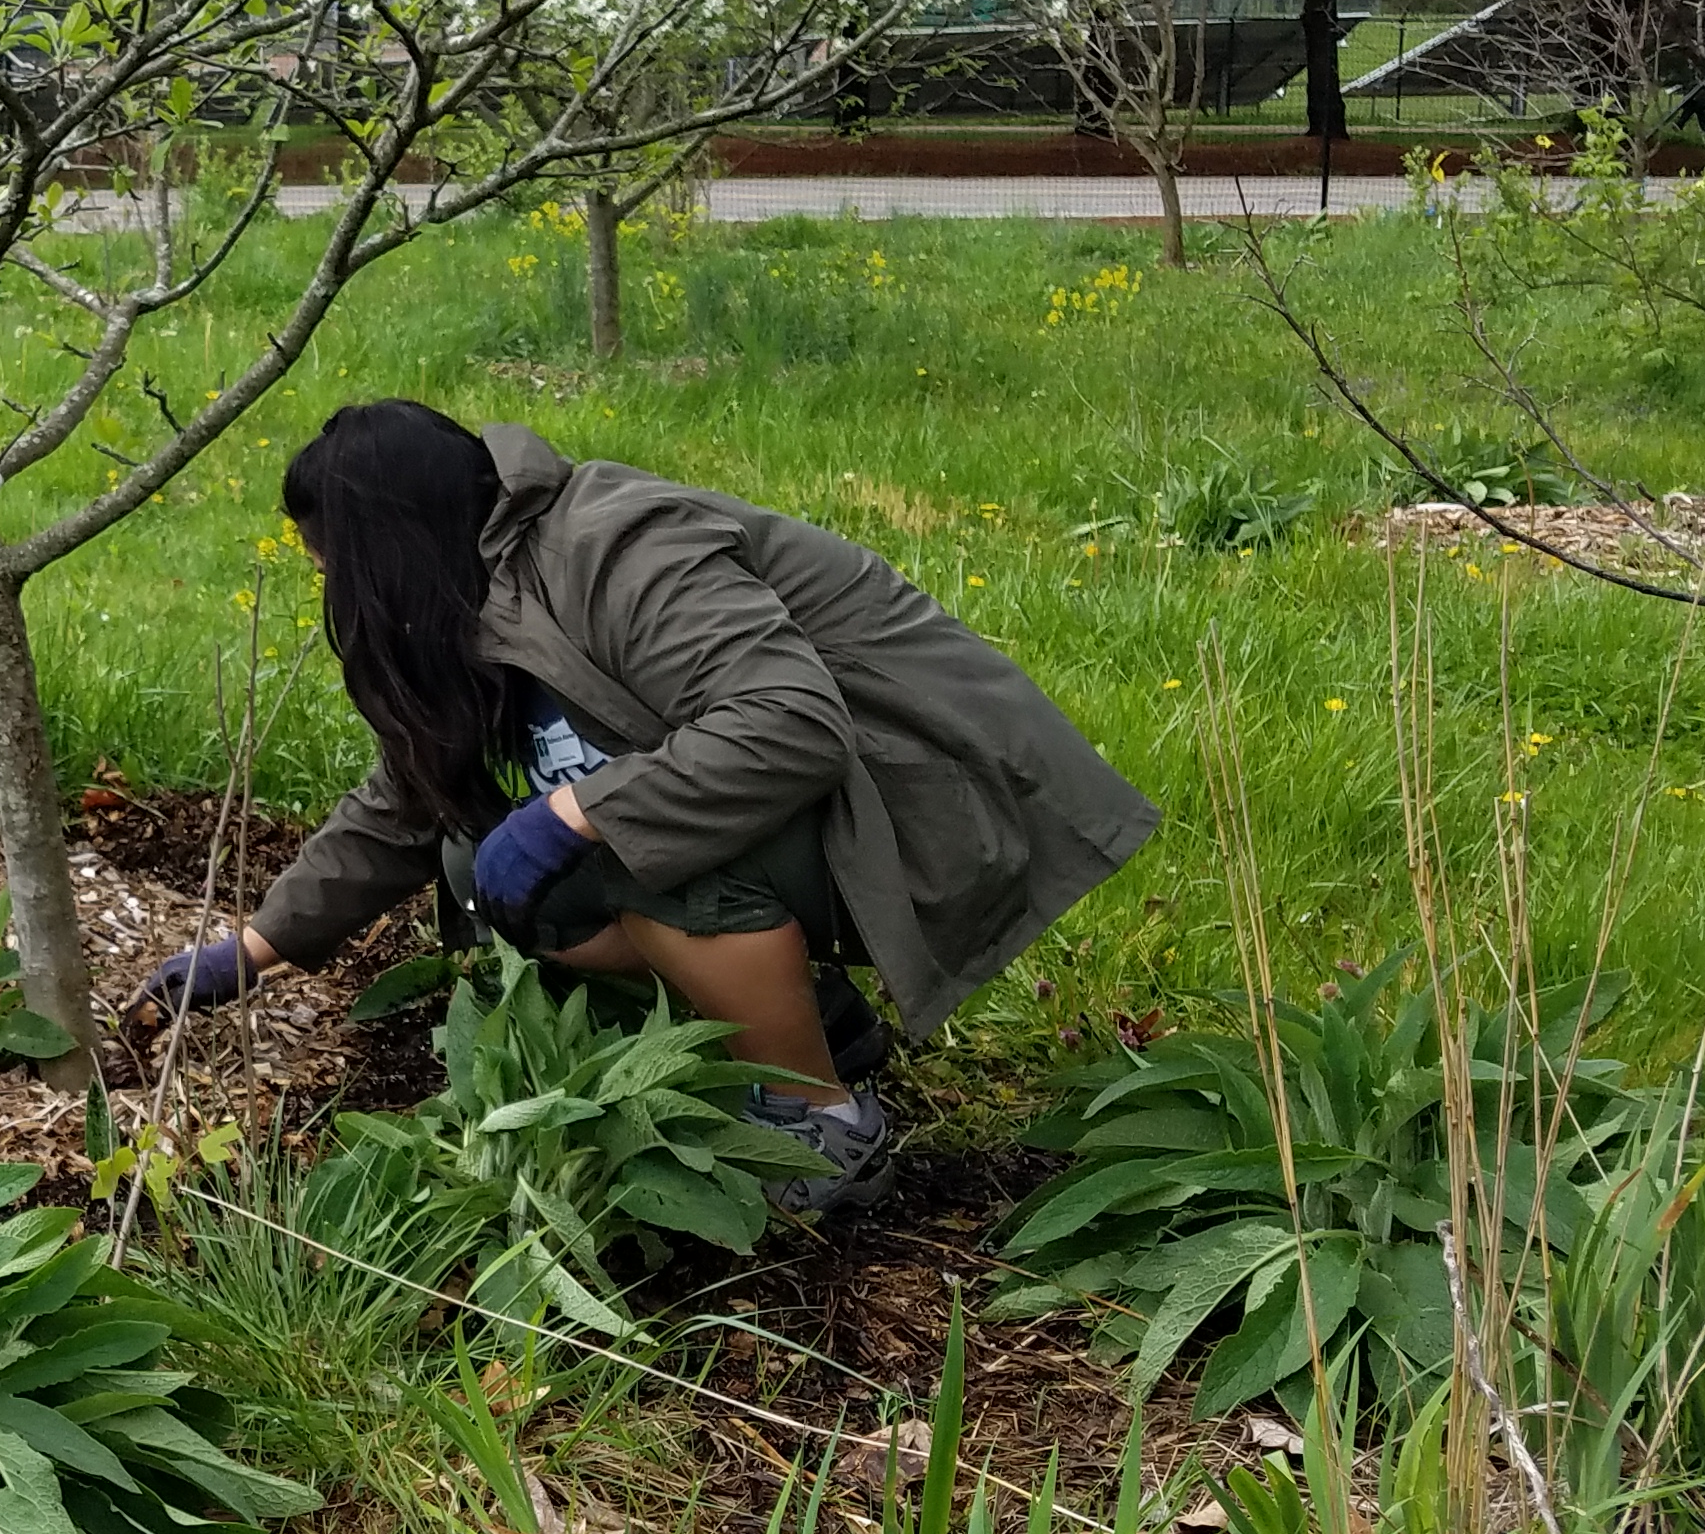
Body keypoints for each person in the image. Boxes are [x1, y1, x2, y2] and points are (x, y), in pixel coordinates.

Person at [130, 399, 1157, 1209]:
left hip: (912, 803)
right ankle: (814, 1037)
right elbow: (405, 803)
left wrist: (574, 814)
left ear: (389, 547)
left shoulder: (618, 546)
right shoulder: (465, 586)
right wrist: (254, 950)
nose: (332, 597)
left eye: (332, 569)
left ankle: (824, 1131)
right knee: (474, 862)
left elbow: (791, 721)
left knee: (620, 848)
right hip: (801, 819)